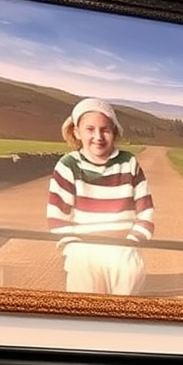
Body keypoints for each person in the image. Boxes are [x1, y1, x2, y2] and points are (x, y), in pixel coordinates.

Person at [47, 98, 155, 296]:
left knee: (130, 275)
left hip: (124, 245)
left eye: (105, 129)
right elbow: (56, 218)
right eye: (90, 129)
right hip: (83, 246)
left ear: (114, 132)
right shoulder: (68, 165)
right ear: (77, 131)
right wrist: (74, 246)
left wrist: (131, 242)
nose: (98, 136)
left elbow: (146, 212)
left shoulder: (129, 162)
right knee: (84, 288)